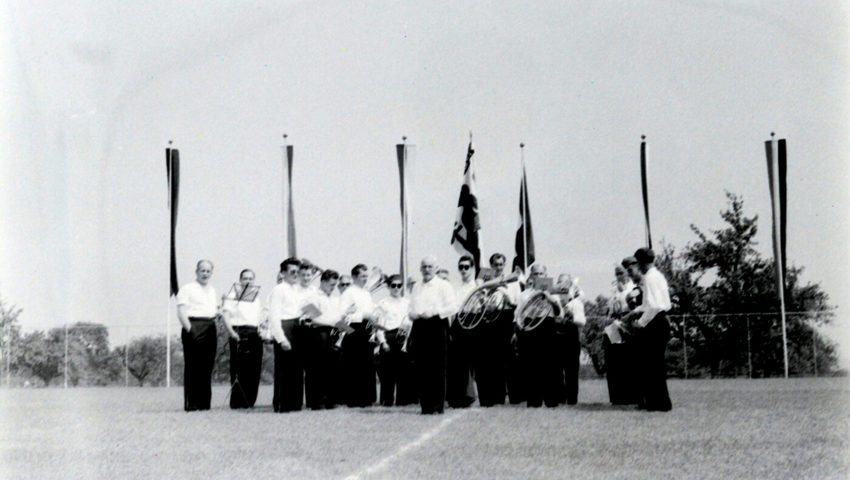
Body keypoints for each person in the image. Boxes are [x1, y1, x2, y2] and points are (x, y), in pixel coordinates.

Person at [623, 248, 673, 412]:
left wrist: (641, 322)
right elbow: (649, 303)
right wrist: (634, 312)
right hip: (659, 319)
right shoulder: (657, 276)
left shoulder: (650, 279)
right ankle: (657, 401)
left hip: (655, 322)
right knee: (653, 364)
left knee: (653, 364)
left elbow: (653, 306)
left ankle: (659, 403)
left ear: (642, 262)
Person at [409, 256, 457, 414]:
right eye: (424, 267)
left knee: (437, 366)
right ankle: (426, 406)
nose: (427, 270)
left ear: (436, 268)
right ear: (420, 269)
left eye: (430, 267)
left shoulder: (443, 286)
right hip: (419, 325)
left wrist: (435, 312)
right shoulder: (416, 287)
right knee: (421, 366)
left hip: (436, 324)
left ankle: (437, 406)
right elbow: (411, 307)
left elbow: (453, 307)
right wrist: (413, 314)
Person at [472, 253, 520, 407]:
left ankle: (514, 397)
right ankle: (495, 396)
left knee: (508, 358)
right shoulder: (486, 278)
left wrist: (507, 297)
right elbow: (479, 298)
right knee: (492, 359)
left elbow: (517, 304)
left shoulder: (513, 281)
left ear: (504, 265)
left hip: (506, 316)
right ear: (491, 265)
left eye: (501, 264)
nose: (498, 267)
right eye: (495, 265)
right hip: (490, 318)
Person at [300, 269, 352, 410]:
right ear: (322, 282)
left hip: (332, 334)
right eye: (331, 285)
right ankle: (315, 402)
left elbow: (337, 317)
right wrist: (334, 321)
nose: (333, 288)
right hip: (317, 334)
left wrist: (346, 323)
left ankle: (330, 400)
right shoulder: (312, 297)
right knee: (316, 369)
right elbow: (314, 318)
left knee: (332, 368)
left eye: (335, 285)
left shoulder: (334, 299)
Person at [515, 265, 563, 407]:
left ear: (546, 274)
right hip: (530, 326)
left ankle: (551, 400)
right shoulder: (525, 294)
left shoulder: (553, 293)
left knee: (550, 364)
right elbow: (519, 314)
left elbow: (559, 313)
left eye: (541, 273)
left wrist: (550, 299)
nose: (539, 276)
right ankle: (533, 400)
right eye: (536, 273)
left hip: (547, 325)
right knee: (531, 364)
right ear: (531, 276)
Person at [176, 259, 219, 411]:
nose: (205, 274)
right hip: (193, 326)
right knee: (193, 367)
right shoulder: (187, 288)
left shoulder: (212, 290)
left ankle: (204, 404)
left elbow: (212, 311)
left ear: (211, 273)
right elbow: (181, 312)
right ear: (196, 271)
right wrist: (190, 330)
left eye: (208, 271)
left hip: (210, 327)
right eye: (202, 270)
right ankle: (192, 404)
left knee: (207, 367)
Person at [221, 268, 265, 409]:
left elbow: (260, 318)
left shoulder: (256, 298)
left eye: (251, 279)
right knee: (239, 368)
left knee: (254, 368)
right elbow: (226, 315)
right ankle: (237, 401)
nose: (248, 281)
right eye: (245, 278)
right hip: (239, 331)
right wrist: (232, 332)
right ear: (240, 280)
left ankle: (250, 401)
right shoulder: (232, 295)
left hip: (254, 333)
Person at [373, 274, 415, 406]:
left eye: (399, 285)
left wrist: (407, 339)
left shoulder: (407, 303)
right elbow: (379, 325)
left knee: (403, 371)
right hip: (388, 336)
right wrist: (383, 342)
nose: (396, 288)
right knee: (387, 373)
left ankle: (403, 400)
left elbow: (410, 322)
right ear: (388, 287)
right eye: (393, 285)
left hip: (403, 336)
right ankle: (387, 400)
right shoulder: (383, 304)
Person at [339, 264, 378, 407]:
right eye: (363, 276)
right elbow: (343, 314)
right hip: (353, 329)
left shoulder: (366, 293)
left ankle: (366, 398)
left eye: (367, 276)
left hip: (366, 329)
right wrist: (363, 315)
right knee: (354, 365)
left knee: (366, 364)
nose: (365, 279)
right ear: (354, 277)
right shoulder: (348, 293)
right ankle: (354, 399)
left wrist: (373, 318)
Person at [603, 262, 640, 405]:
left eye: (621, 273)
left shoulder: (633, 287)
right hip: (613, 325)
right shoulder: (613, 290)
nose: (619, 276)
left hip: (627, 322)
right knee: (613, 360)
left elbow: (634, 305)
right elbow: (609, 309)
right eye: (616, 273)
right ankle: (616, 397)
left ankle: (631, 396)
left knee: (628, 360)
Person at [267, 258, 301, 412]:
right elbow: (274, 317)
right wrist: (281, 338)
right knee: (283, 370)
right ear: (283, 273)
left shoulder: (298, 290)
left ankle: (294, 404)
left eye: (297, 272)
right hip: (285, 328)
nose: (296, 274)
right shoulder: (279, 290)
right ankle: (282, 404)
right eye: (292, 272)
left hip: (297, 328)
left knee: (295, 369)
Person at [447, 255, 478, 408]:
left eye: (466, 267)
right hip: (459, 322)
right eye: (461, 267)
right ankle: (460, 396)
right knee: (459, 361)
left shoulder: (478, 285)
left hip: (474, 321)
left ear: (472, 268)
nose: (464, 270)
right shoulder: (456, 287)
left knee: (473, 361)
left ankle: (473, 395)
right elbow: (453, 308)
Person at [553, 273, 586, 405]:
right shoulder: (553, 300)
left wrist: (571, 316)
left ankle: (572, 399)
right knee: (557, 369)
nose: (562, 285)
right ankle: (560, 398)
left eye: (565, 283)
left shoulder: (576, 302)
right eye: (560, 282)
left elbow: (582, 321)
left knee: (571, 370)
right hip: (556, 337)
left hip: (571, 337)